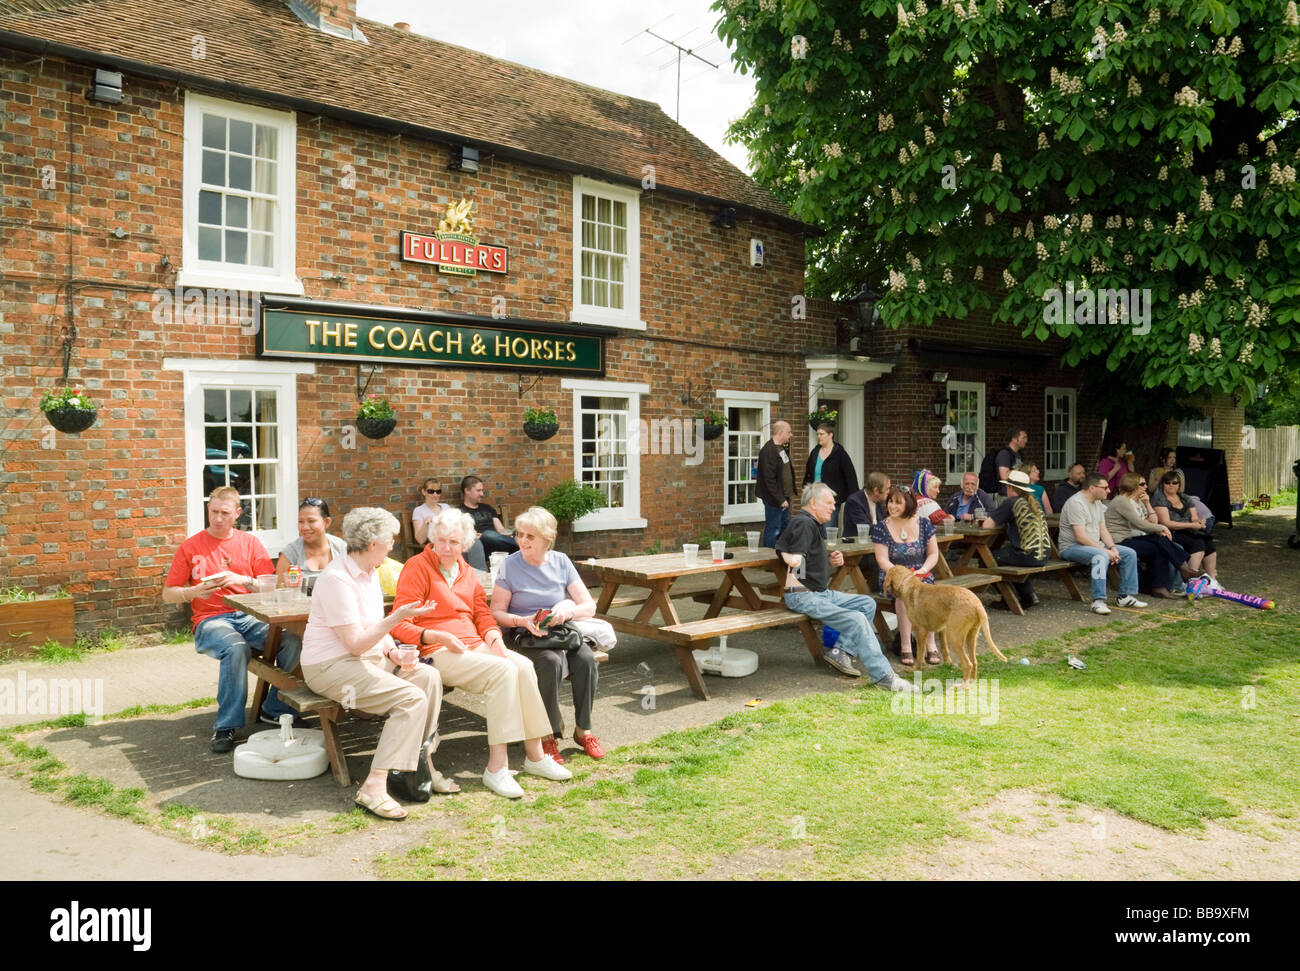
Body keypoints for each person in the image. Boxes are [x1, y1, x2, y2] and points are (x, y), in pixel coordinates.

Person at [391, 508, 570, 798]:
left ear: (464, 543)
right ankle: (496, 768)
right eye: (441, 541)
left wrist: (494, 639)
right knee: (503, 672)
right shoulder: (417, 566)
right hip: (436, 650)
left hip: (474, 644)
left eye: (454, 542)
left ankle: (536, 756)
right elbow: (399, 623)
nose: (447, 548)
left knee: (523, 666)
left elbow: (482, 615)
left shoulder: (465, 570)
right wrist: (435, 635)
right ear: (432, 540)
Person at [300, 507, 450, 820]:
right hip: (329, 666)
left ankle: (417, 764)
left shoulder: (368, 572)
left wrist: (392, 651)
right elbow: (354, 643)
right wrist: (396, 620)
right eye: (390, 540)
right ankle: (374, 785)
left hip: (361, 659)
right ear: (372, 545)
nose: (393, 545)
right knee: (410, 698)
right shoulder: (337, 580)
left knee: (427, 677)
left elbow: (373, 624)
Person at [163, 486, 302, 753]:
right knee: (236, 648)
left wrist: (244, 580)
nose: (217, 518)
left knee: (293, 641)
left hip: (250, 617)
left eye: (224, 513)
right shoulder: (190, 546)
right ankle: (226, 726)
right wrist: (192, 591)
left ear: (237, 513)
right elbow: (168, 594)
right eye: (213, 512)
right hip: (211, 619)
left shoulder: (250, 543)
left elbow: (271, 586)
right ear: (208, 509)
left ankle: (275, 708)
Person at [490, 506, 606, 764]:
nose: (522, 541)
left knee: (586, 659)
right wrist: (523, 620)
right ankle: (547, 734)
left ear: (546, 539)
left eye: (530, 536)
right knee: (549, 662)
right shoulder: (510, 566)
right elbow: (496, 612)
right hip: (524, 634)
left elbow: (589, 606)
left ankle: (583, 729)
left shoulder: (561, 561)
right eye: (520, 534)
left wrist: (565, 614)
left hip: (558, 631)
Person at [776, 483, 914, 692]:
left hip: (818, 592)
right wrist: (794, 559)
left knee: (866, 603)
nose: (833, 508)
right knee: (857, 619)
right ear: (813, 503)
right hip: (804, 596)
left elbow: (785, 548)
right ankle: (884, 676)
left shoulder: (807, 522)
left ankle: (841, 652)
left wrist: (826, 560)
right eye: (829, 503)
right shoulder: (804, 524)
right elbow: (797, 562)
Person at [1057, 472, 1147, 615]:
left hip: (1093, 545)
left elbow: (1103, 529)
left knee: (1129, 553)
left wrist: (1112, 547)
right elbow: (1080, 537)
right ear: (1092, 488)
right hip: (1071, 547)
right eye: (1105, 488)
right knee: (1100, 556)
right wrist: (1105, 551)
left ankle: (1126, 596)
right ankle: (1098, 601)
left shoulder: (1097, 503)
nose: (1109, 490)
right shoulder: (1076, 503)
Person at [871, 486, 941, 666]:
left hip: (921, 573)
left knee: (928, 593)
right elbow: (882, 560)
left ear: (908, 504)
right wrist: (901, 575)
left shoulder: (924, 524)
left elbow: (933, 554)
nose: (892, 506)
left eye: (897, 503)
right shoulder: (881, 527)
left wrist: (923, 570)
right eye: (890, 502)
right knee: (904, 594)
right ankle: (906, 646)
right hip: (893, 576)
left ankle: (930, 645)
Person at [1104, 473, 1198, 599]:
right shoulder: (1121, 501)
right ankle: (1176, 575)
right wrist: (1163, 527)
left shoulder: (1127, 500)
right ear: (1134, 485)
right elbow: (1140, 524)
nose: (1146, 486)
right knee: (1159, 545)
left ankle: (1170, 580)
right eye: (1142, 484)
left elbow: (1146, 523)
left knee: (1159, 541)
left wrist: (1158, 529)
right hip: (1118, 541)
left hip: (1127, 537)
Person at [981, 470, 1052, 610]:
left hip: (1027, 555)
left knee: (986, 559)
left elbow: (986, 525)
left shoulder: (1011, 502)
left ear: (1010, 487)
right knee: (1006, 556)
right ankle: (1029, 595)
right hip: (1044, 554)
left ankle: (1009, 599)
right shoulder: (1034, 502)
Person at [1151, 471, 1218, 580]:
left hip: (1188, 530)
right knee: (1198, 543)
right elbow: (1166, 523)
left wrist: (1199, 521)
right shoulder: (1159, 499)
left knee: (1208, 542)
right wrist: (1191, 525)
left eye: (1174, 482)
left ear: (1179, 485)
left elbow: (1194, 517)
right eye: (1167, 482)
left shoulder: (1185, 498)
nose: (1171, 485)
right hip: (1170, 532)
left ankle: (1212, 580)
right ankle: (1191, 580)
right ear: (1163, 484)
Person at [276, 497, 347, 594]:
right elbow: (279, 590)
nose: (305, 527)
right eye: (301, 522)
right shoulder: (291, 553)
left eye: (311, 521)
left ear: (327, 522)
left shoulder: (341, 549)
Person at [803, 423, 858, 525]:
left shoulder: (839, 453)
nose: (819, 437)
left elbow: (850, 477)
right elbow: (808, 474)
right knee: (813, 527)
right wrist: (805, 492)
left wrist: (854, 500)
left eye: (821, 434)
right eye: (817, 434)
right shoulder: (815, 452)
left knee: (828, 529)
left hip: (831, 499)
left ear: (830, 435)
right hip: (814, 498)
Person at [757, 419, 796, 547]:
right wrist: (780, 499)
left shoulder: (781, 448)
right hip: (774, 499)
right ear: (781, 432)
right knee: (774, 529)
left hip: (784, 497)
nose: (791, 435)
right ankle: (769, 561)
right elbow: (769, 480)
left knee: (784, 528)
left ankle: (781, 558)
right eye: (789, 432)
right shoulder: (768, 451)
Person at [459, 475, 518, 558]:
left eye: (482, 490)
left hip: (498, 544)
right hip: (481, 547)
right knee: (487, 535)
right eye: (478, 491)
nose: (482, 494)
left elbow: (500, 529)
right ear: (467, 491)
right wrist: (474, 535)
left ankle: (520, 545)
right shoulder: (460, 512)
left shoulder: (487, 508)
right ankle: (523, 546)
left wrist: (504, 534)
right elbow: (462, 535)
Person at [843, 472, 890, 540]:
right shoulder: (854, 502)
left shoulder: (877, 500)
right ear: (876, 491)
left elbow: (883, 523)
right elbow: (867, 529)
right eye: (887, 489)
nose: (889, 491)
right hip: (856, 545)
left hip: (874, 543)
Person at [980, 428, 1027, 496]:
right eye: (1024, 438)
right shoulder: (1004, 454)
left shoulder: (1019, 455)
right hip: (1006, 494)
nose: (1026, 440)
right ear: (1014, 439)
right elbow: (1004, 476)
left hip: (1016, 493)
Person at [411, 478, 451, 546]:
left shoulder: (446, 507)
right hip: (434, 546)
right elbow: (420, 540)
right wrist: (426, 524)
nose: (435, 495)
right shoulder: (418, 511)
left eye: (438, 491)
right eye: (431, 491)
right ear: (424, 492)